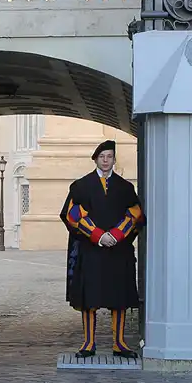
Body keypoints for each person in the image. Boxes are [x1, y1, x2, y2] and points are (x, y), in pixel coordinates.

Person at [59, 139, 145, 359]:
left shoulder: (126, 188)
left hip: (119, 251)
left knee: (119, 297)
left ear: (114, 160)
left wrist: (116, 235)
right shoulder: (81, 186)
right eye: (102, 157)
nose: (106, 160)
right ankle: (88, 343)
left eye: (109, 157)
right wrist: (98, 236)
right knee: (89, 298)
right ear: (95, 159)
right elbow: (72, 214)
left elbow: (135, 214)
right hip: (91, 251)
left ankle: (119, 343)